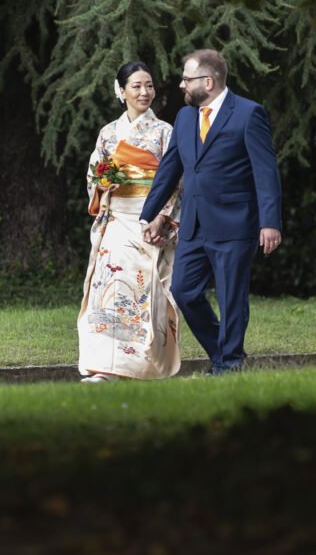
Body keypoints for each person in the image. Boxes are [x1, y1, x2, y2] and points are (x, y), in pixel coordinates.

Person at [140, 49, 282, 375]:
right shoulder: (186, 117)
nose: (181, 85)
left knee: (232, 298)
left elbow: (266, 172)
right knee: (185, 292)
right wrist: (147, 215)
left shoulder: (248, 114)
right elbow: (170, 169)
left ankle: (228, 365)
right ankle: (225, 354)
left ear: (208, 81)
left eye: (187, 79)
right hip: (194, 224)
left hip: (236, 224)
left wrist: (270, 222)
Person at [76, 61, 182, 383]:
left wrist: (162, 218)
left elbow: (177, 178)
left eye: (148, 85)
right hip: (117, 218)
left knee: (144, 293)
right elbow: (95, 173)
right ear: (121, 91)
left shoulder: (165, 132)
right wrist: (103, 183)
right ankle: (103, 367)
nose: (144, 92)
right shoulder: (108, 133)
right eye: (136, 86)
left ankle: (141, 366)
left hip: (149, 221)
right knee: (105, 288)